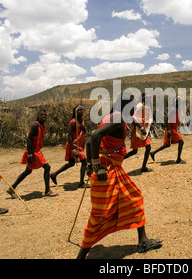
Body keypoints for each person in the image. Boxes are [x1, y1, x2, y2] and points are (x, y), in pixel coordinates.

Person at [77, 95, 162, 259]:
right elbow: (93, 139)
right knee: (100, 215)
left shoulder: (113, 117)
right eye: (132, 108)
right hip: (107, 172)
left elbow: (90, 143)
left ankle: (143, 240)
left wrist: (90, 165)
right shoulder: (117, 119)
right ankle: (81, 256)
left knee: (134, 198)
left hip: (112, 169)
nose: (134, 111)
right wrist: (95, 167)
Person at [7, 109, 58, 198]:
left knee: (28, 171)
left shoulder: (41, 126)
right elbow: (29, 139)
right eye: (42, 115)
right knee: (47, 167)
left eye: (45, 115)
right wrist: (30, 155)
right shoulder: (35, 125)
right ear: (37, 116)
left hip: (36, 151)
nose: (44, 116)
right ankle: (47, 191)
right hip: (33, 152)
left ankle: (11, 188)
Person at [50, 105, 88, 188]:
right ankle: (81, 183)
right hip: (73, 145)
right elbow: (69, 137)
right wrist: (73, 150)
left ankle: (54, 174)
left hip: (79, 145)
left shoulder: (81, 121)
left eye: (82, 109)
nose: (81, 111)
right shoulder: (73, 122)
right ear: (75, 112)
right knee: (84, 161)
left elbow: (84, 131)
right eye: (79, 110)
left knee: (71, 163)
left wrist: (82, 127)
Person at [150, 97, 184, 163]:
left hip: (173, 129)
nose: (179, 102)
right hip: (171, 129)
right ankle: (178, 159)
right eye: (177, 101)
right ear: (175, 102)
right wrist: (168, 130)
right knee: (181, 142)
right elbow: (166, 120)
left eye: (179, 101)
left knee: (167, 145)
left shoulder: (178, 109)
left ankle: (153, 153)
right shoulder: (173, 110)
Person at [124, 93, 153, 172]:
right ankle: (118, 160)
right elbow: (134, 117)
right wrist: (141, 127)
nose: (149, 100)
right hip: (137, 130)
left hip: (141, 130)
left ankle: (143, 167)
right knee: (134, 151)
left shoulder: (144, 106)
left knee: (148, 147)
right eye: (147, 98)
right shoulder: (139, 106)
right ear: (143, 98)